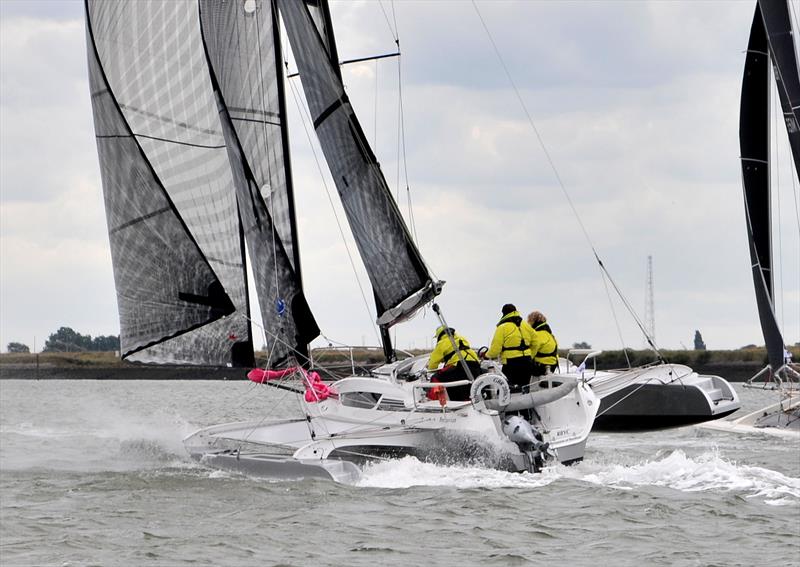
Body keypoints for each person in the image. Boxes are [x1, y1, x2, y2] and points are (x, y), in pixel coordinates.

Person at [485, 304, 536, 392]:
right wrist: (531, 354)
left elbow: (496, 349)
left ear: (504, 313)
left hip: (511, 363)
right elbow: (536, 341)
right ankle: (527, 404)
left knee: (510, 388)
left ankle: (511, 404)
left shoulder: (502, 327)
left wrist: (487, 355)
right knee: (524, 386)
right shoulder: (526, 325)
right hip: (527, 361)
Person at [427, 325, 482, 401]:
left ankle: (435, 402)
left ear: (439, 335)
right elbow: (455, 352)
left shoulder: (442, 343)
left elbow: (433, 363)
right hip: (475, 365)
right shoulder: (462, 339)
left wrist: (429, 371)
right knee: (465, 385)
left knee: (436, 378)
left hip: (459, 366)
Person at [528, 311, 558, 376]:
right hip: (553, 365)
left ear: (532, 321)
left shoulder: (537, 335)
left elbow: (532, 353)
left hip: (540, 367)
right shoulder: (551, 335)